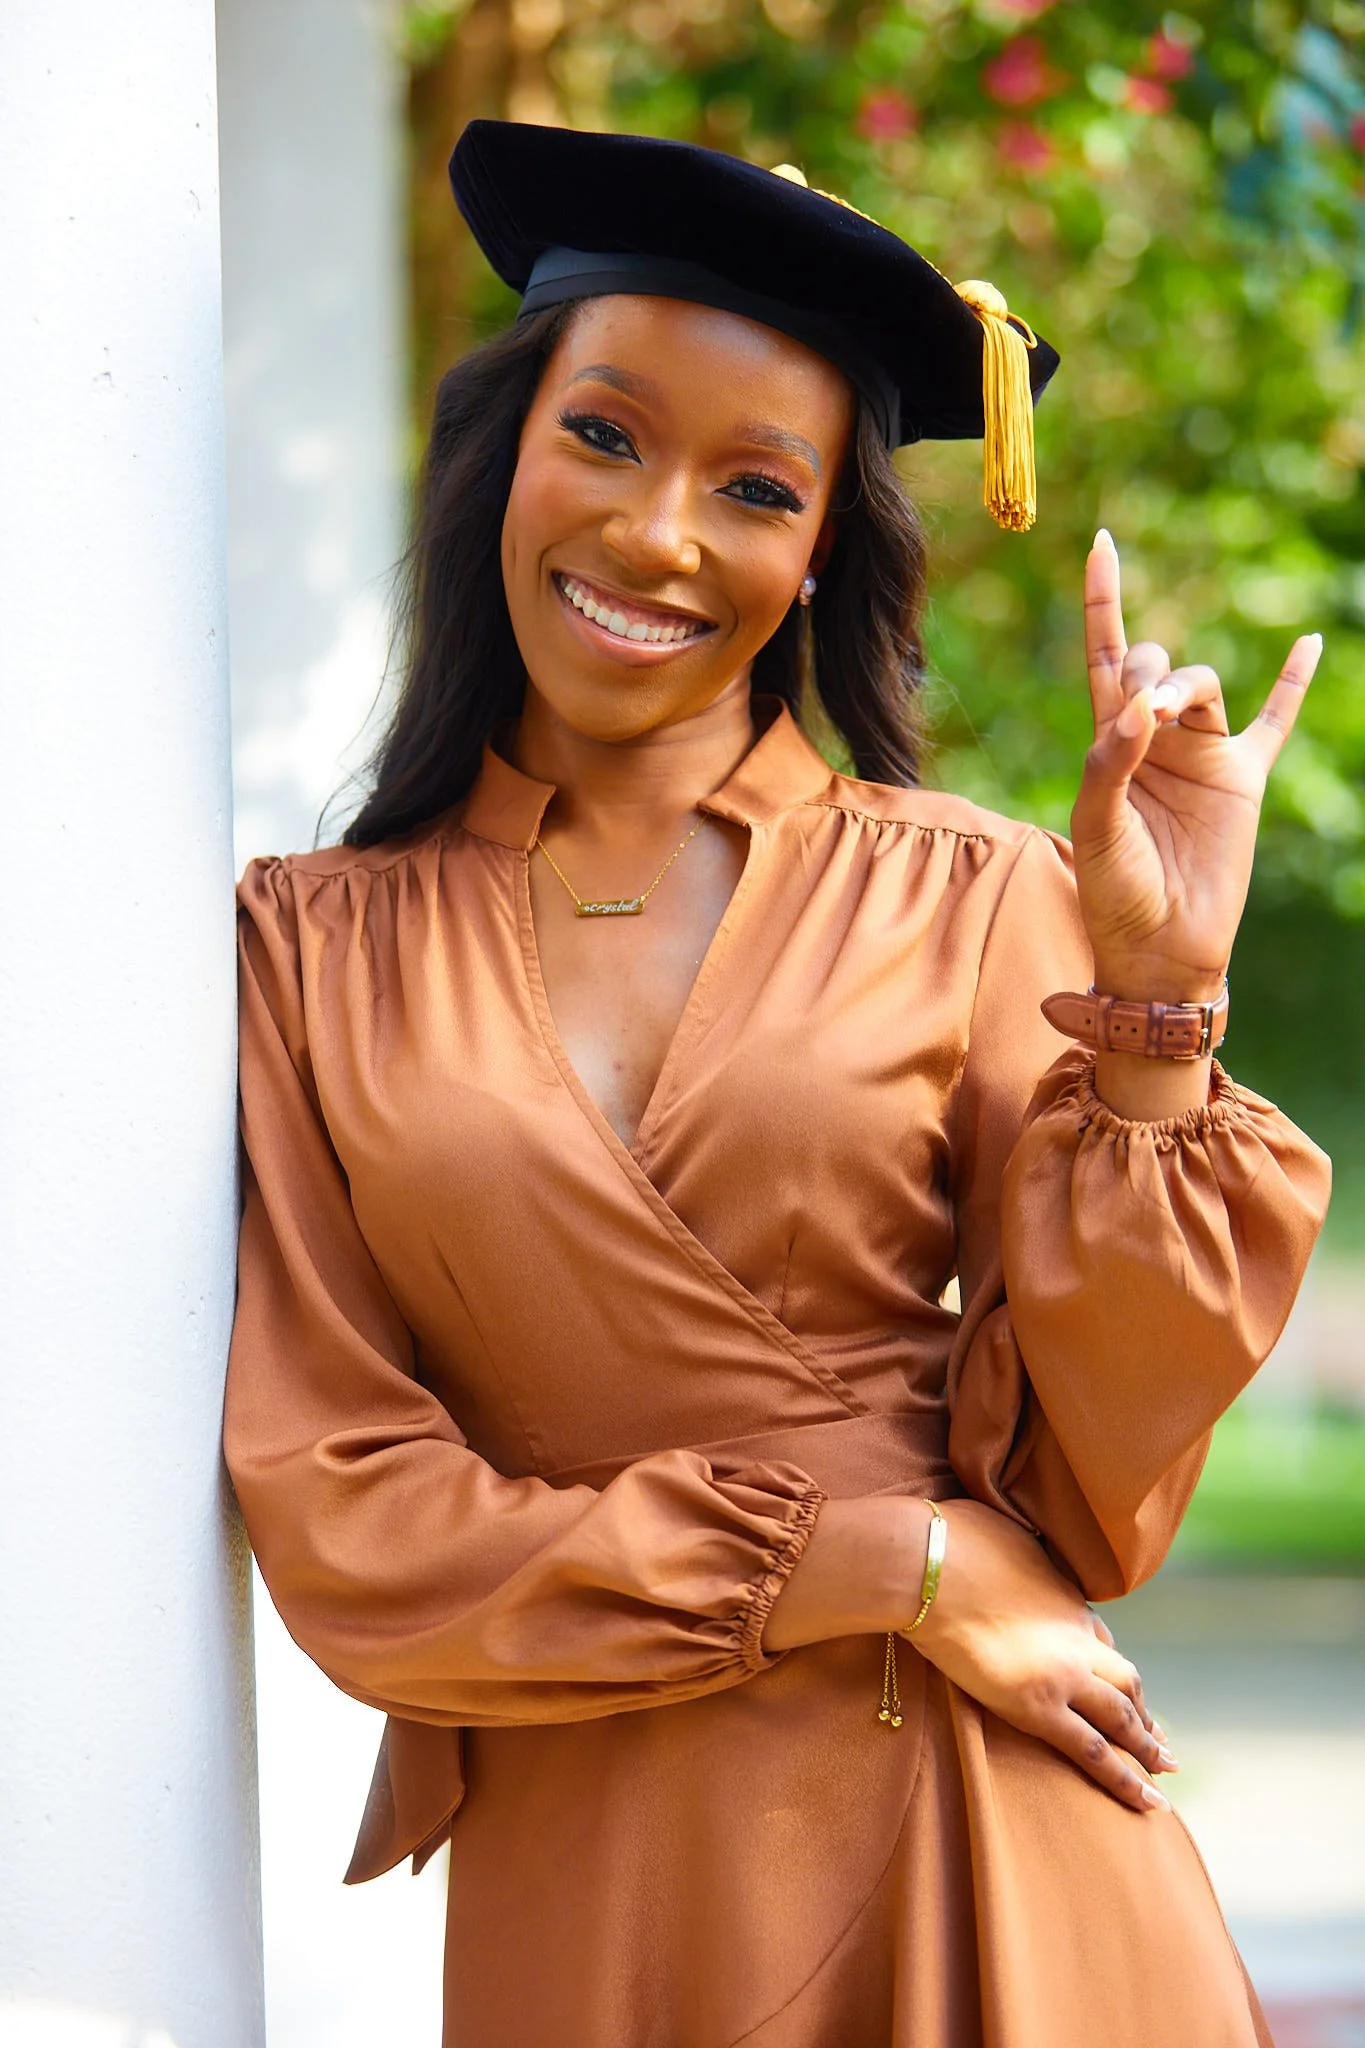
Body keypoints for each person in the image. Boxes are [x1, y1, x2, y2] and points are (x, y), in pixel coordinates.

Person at [225, 120, 1331, 2047]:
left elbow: (1092, 1481)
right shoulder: (312, 953)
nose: (660, 536)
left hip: (991, 1841)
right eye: (606, 437)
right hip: (599, 1863)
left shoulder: (977, 896)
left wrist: (1162, 1004)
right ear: (504, 454)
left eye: (753, 485)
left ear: (820, 548)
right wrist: (863, 1560)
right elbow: (342, 1512)